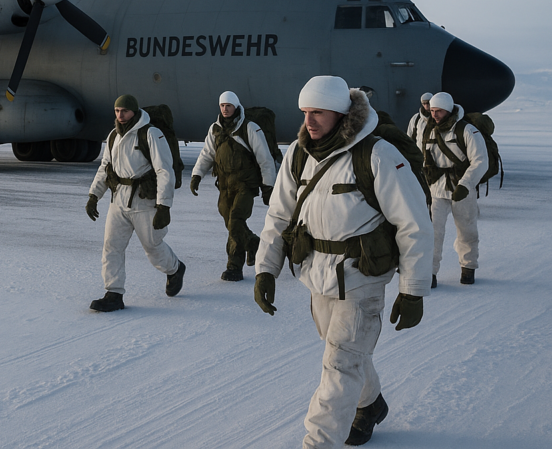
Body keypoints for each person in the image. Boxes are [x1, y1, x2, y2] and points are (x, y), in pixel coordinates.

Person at [254, 76, 432, 448]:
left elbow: (414, 224)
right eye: (305, 112)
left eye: (317, 112)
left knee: (339, 366)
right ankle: (370, 404)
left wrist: (412, 290)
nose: (309, 121)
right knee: (344, 352)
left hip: (362, 277)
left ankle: (318, 442)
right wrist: (265, 270)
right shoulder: (298, 154)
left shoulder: (377, 154)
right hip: (316, 275)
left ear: (341, 113)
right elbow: (278, 216)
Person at [86, 94, 185, 312]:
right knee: (111, 246)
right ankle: (113, 293)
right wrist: (94, 195)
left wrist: (164, 206)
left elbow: (164, 170)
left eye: (125, 111)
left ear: (134, 112)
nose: (120, 115)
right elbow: (105, 167)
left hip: (144, 201)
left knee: (152, 246)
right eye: (117, 111)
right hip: (118, 200)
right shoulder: (113, 136)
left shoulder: (151, 134)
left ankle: (175, 269)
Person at [190, 91, 276, 281]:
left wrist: (268, 186)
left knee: (236, 220)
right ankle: (243, 257)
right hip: (224, 185)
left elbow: (265, 159)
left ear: (236, 106)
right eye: (222, 106)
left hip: (245, 184)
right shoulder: (215, 129)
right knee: (232, 225)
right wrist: (197, 174)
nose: (225, 109)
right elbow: (207, 154)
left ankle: (239, 259)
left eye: (229, 105)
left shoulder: (250, 128)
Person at [417, 91, 488, 287]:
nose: (434, 115)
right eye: (432, 111)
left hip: (461, 188)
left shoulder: (466, 131)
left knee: (467, 230)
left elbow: (480, 160)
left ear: (448, 110)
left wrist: (465, 185)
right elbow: (420, 156)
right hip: (436, 189)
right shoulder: (427, 131)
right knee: (432, 232)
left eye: (438, 111)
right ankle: (429, 273)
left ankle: (468, 267)